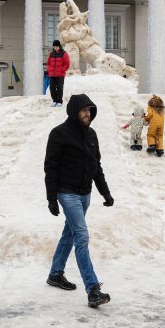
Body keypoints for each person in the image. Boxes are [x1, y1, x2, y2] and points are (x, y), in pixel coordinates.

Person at [44, 94, 114, 308]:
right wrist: (52, 198)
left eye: (90, 110)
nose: (88, 114)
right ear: (74, 111)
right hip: (67, 193)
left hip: (85, 194)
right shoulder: (59, 134)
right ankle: (93, 289)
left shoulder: (91, 134)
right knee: (81, 237)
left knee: (70, 232)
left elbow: (96, 167)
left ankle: (55, 274)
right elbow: (51, 167)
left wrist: (105, 193)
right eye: (84, 110)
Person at [47, 39, 70, 107]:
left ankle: (59, 101)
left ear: (59, 46)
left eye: (57, 46)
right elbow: (48, 63)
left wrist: (62, 70)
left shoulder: (64, 53)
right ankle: (54, 101)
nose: (55, 48)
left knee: (59, 88)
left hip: (60, 74)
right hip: (52, 74)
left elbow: (67, 63)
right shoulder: (51, 54)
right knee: (52, 88)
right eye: (54, 47)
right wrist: (49, 70)